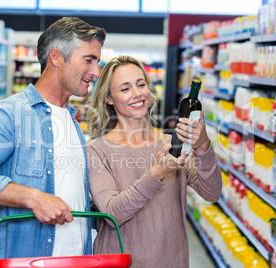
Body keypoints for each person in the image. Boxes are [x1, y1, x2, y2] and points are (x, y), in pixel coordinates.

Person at [0, 17, 106, 261]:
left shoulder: (72, 121)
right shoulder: (9, 114)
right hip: (28, 261)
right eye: (89, 60)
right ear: (56, 57)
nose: (96, 71)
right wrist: (33, 198)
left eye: (97, 61)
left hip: (76, 259)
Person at [85, 55, 222, 268]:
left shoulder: (171, 144)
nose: (137, 93)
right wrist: (156, 173)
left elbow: (212, 192)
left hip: (172, 261)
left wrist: (203, 145)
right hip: (121, 263)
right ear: (109, 98)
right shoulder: (97, 150)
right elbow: (112, 213)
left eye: (141, 84)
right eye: (125, 89)